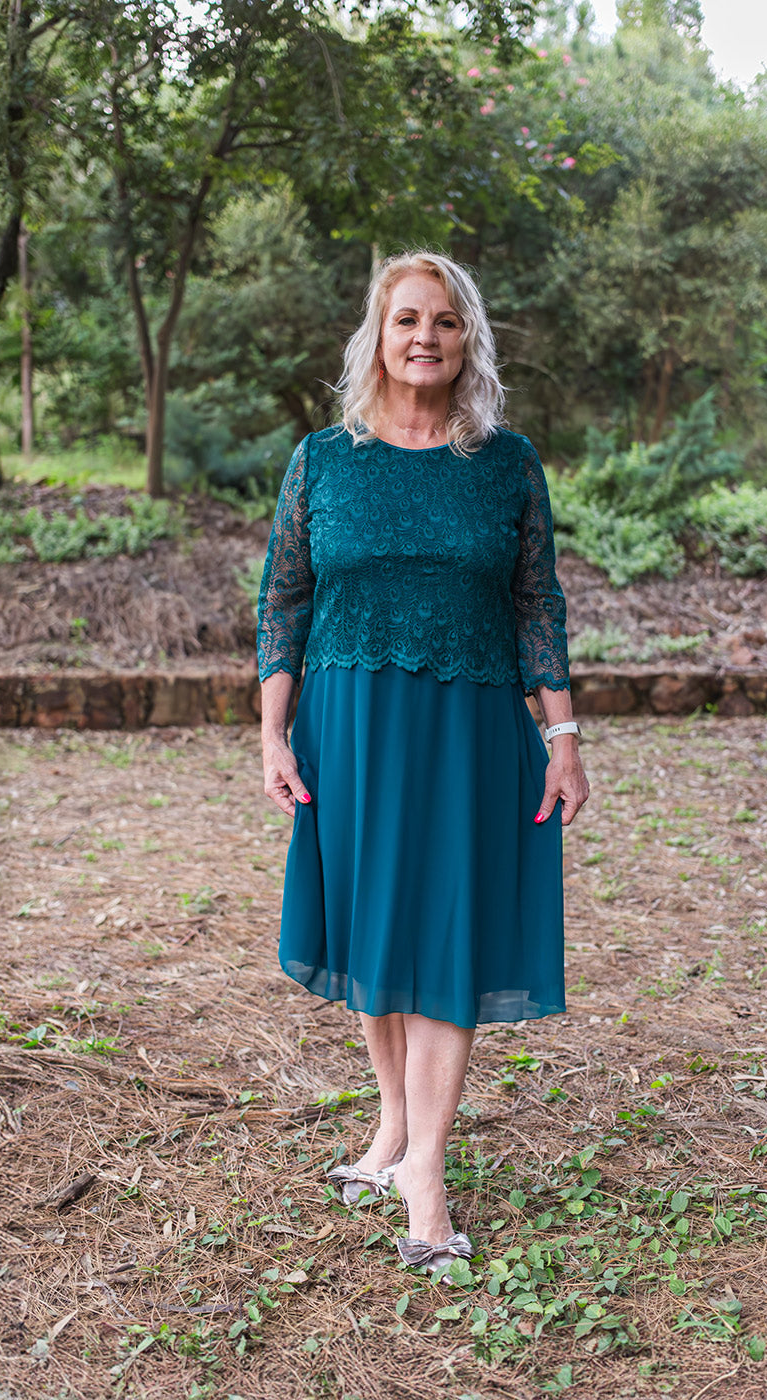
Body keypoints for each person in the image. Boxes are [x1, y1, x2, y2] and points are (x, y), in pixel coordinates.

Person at [256, 250, 589, 1278]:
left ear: (467, 338)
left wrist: (564, 736)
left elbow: (537, 604)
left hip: (472, 725)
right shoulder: (323, 458)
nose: (424, 338)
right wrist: (272, 730)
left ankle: (427, 1173)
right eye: (406, 319)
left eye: (445, 321)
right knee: (373, 924)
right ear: (377, 331)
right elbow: (284, 600)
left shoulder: (505, 462)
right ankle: (393, 1124)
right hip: (348, 723)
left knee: (445, 935)